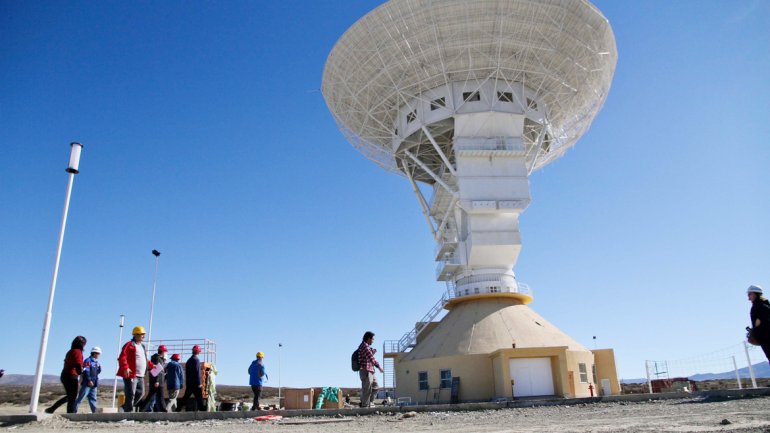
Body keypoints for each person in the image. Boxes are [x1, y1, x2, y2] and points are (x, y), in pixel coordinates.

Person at [46, 336, 87, 414]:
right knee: (72, 397)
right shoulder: (77, 352)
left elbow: (73, 363)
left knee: (70, 396)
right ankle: (70, 413)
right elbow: (78, 365)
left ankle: (52, 409)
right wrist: (81, 370)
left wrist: (81, 367)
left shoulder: (71, 351)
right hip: (71, 376)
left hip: (65, 375)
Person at [117, 326, 153, 412]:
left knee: (141, 393)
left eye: (144, 334)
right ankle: (127, 413)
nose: (143, 336)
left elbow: (144, 359)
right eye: (142, 334)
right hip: (131, 374)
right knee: (131, 394)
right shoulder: (129, 345)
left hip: (140, 375)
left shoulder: (142, 346)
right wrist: (125, 367)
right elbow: (122, 357)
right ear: (136, 335)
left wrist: (152, 365)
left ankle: (125, 408)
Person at [357, 331, 384, 408]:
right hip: (365, 370)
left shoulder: (367, 347)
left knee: (375, 387)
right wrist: (379, 367)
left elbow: (369, 356)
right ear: (369, 338)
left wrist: (373, 351)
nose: (373, 341)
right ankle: (364, 406)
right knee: (367, 389)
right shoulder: (364, 346)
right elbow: (371, 359)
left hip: (370, 371)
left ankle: (369, 403)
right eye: (372, 339)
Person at [74, 346, 102, 413]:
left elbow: (97, 372)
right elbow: (86, 371)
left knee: (93, 399)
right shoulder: (88, 361)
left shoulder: (96, 362)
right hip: (87, 383)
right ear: (94, 353)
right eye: (98, 354)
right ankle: (73, 411)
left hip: (94, 384)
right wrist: (89, 380)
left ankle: (94, 412)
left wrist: (99, 367)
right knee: (81, 398)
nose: (99, 355)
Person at [177, 345, 204, 411]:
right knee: (199, 398)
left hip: (189, 383)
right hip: (195, 383)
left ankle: (178, 409)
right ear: (199, 352)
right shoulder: (196, 360)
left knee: (185, 397)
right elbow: (197, 372)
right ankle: (203, 411)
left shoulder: (189, 360)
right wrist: (199, 383)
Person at [142, 345, 168, 412]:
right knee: (160, 397)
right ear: (162, 352)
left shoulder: (156, 358)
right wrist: (157, 381)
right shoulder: (158, 359)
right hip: (159, 381)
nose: (165, 353)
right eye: (165, 352)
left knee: (150, 396)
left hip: (157, 381)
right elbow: (157, 370)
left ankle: (141, 407)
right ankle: (164, 411)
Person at [748, 285, 770, 363]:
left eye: (749, 294)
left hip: (766, 337)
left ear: (754, 294)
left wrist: (757, 324)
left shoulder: (759, 305)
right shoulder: (763, 303)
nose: (748, 297)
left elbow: (766, 312)